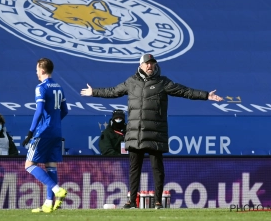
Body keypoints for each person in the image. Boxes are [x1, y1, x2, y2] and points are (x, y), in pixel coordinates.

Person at [81, 53, 223, 209]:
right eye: (147, 63)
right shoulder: (131, 81)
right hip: (136, 133)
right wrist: (94, 92)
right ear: (140, 65)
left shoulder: (163, 82)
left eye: (152, 63)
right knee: (134, 169)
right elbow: (113, 91)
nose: (150, 66)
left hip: (155, 133)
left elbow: (184, 91)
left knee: (157, 168)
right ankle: (131, 201)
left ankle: (157, 201)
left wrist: (205, 95)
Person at [22, 58, 68, 213]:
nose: (36, 72)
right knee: (51, 166)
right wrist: (55, 123)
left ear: (42, 69)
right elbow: (65, 110)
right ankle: (48, 203)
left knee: (29, 165)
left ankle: (57, 189)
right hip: (56, 131)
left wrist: (30, 132)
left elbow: (39, 110)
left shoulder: (41, 87)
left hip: (44, 131)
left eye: (36, 69)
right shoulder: (59, 87)